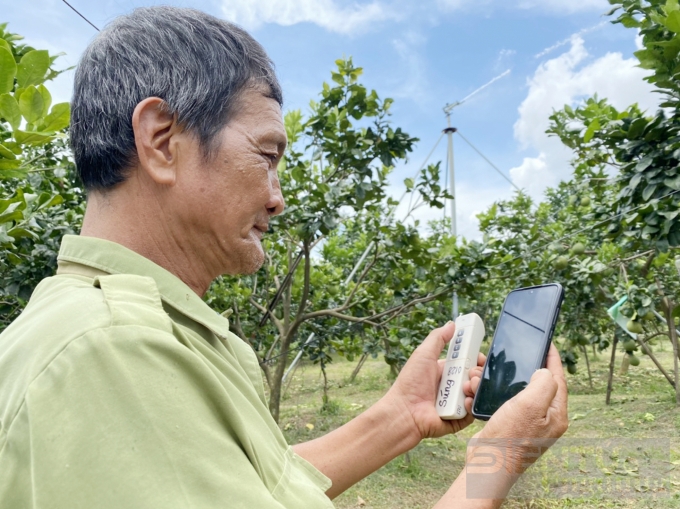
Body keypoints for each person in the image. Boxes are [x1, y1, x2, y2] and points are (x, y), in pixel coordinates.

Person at [0, 6, 568, 508]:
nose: (277, 197)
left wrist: (400, 416)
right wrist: (496, 459)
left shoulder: (123, 327)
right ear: (162, 139)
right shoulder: (112, 351)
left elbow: (259, 483)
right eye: (266, 154)